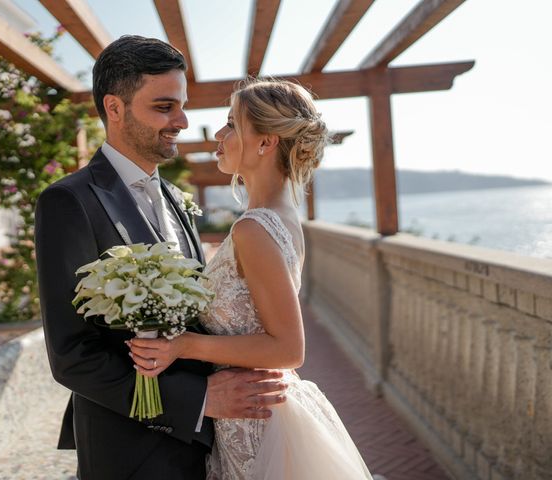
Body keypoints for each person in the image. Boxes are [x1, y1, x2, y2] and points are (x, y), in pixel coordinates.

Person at [34, 36, 287, 480]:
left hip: (208, 442)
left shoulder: (176, 198)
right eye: (164, 106)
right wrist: (200, 398)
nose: (183, 121)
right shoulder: (68, 202)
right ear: (115, 108)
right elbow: (73, 354)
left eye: (182, 105)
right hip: (131, 450)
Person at [128, 78, 374, 479]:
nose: (219, 136)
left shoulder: (253, 229)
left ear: (265, 143)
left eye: (231, 125)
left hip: (257, 420)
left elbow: (289, 349)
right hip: (254, 407)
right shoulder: (281, 218)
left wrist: (183, 345)